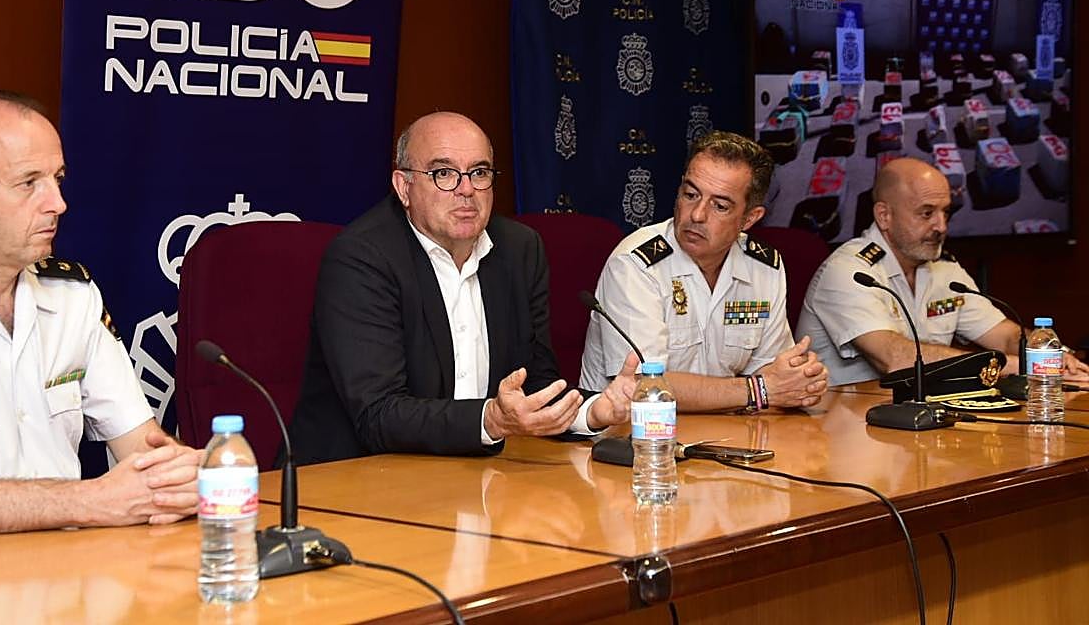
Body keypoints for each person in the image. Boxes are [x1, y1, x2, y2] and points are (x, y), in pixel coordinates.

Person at [0, 90, 200, 537]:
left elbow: (140, 444)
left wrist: (181, 475)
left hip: (69, 569)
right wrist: (88, 502)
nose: (57, 202)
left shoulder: (72, 295)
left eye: (58, 178)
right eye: (28, 182)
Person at [290, 112, 638, 465]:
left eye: (479, 172)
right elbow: (378, 414)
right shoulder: (362, 258)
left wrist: (594, 411)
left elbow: (533, 385)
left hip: (475, 472)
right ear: (404, 187)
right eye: (444, 173)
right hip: (355, 475)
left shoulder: (519, 250)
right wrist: (489, 421)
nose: (467, 189)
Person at [580, 131, 827, 412]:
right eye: (690, 195)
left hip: (728, 429)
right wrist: (758, 391)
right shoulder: (635, 264)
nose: (697, 215)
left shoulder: (763, 267)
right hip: (634, 433)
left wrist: (798, 380)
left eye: (719, 206)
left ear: (749, 218)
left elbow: (773, 376)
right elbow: (645, 387)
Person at [796, 156, 1089, 385]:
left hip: (917, 421)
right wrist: (1014, 365)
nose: (941, 226)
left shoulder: (944, 270)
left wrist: (1052, 355)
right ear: (884, 216)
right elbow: (895, 359)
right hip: (841, 430)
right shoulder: (849, 271)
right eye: (927, 213)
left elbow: (1004, 336)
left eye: (945, 212)